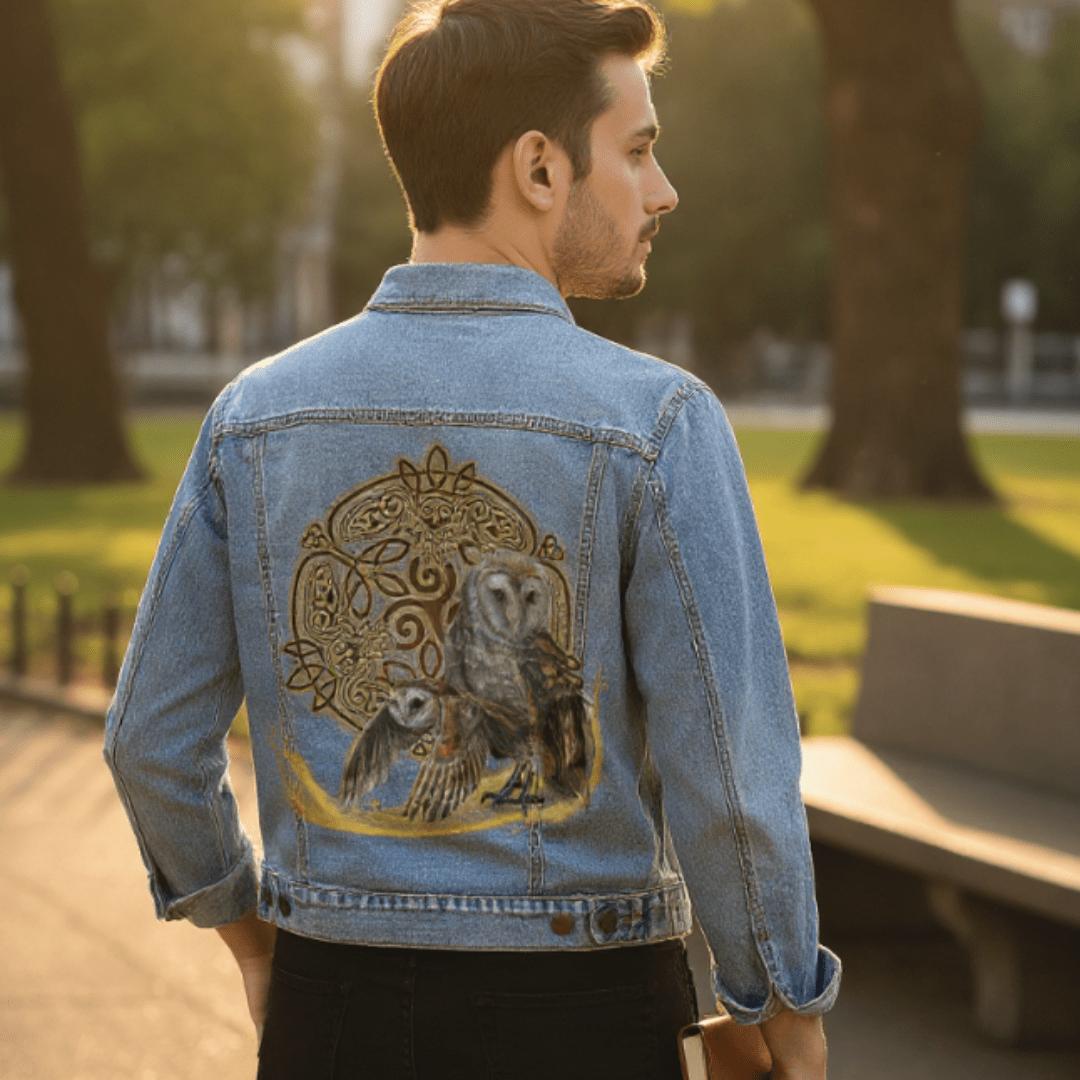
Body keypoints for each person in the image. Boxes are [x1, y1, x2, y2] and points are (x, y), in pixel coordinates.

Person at [104, 1, 839, 1077]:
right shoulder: (656, 423)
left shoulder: (254, 416)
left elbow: (149, 744)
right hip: (584, 1013)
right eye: (637, 151)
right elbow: (728, 778)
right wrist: (780, 1007)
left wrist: (256, 938)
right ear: (539, 169)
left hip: (329, 1007)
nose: (664, 190)